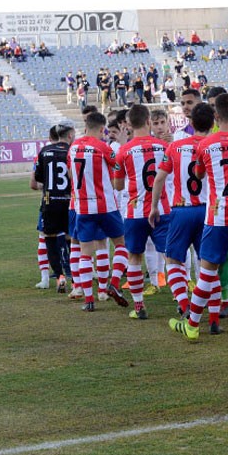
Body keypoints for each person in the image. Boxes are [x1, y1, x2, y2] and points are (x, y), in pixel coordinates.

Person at [168, 93, 228, 345]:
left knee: (207, 273)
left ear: (215, 116)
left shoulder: (205, 145)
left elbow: (199, 176)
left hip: (217, 216)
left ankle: (192, 326)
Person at [150, 104, 215, 324]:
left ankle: (185, 305)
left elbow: (159, 179)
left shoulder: (175, 146)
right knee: (208, 263)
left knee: (172, 259)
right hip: (208, 210)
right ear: (212, 123)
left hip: (181, 209)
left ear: (192, 124)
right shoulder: (214, 146)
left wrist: (154, 206)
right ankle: (214, 319)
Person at [112, 105, 172, 320]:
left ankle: (139, 306)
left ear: (128, 124)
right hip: (162, 209)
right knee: (171, 256)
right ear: (148, 121)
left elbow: (118, 186)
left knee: (134, 257)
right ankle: (183, 303)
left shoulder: (124, 151)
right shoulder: (164, 146)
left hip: (135, 212)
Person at [67, 112, 130, 312]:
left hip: (83, 207)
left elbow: (70, 173)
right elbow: (119, 166)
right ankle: (111, 284)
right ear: (103, 129)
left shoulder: (73, 147)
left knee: (85, 253)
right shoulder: (103, 147)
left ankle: (89, 300)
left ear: (85, 126)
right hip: (106, 205)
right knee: (121, 244)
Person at [34, 124, 76, 293]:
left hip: (50, 201)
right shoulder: (73, 151)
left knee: (49, 238)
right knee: (71, 239)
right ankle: (74, 278)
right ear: (70, 136)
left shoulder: (44, 151)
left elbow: (38, 179)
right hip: (69, 202)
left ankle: (59, 276)